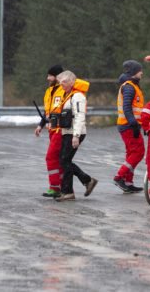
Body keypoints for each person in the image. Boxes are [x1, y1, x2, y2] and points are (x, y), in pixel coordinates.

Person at [54, 70, 98, 202]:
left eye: (65, 82)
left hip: (74, 133)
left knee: (64, 160)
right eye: (60, 82)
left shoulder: (77, 96)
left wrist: (76, 135)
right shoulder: (67, 95)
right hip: (67, 132)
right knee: (64, 160)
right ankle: (85, 182)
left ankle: (69, 191)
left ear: (73, 82)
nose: (62, 84)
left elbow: (79, 116)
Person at [113, 60, 145, 193]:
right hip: (129, 126)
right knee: (138, 152)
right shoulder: (129, 87)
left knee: (132, 153)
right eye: (139, 71)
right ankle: (119, 177)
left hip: (128, 125)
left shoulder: (132, 86)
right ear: (133, 72)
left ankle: (128, 181)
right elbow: (127, 108)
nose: (142, 73)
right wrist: (134, 124)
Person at [35, 64, 65, 198]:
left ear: (57, 77)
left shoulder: (64, 90)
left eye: (50, 76)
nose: (48, 78)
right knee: (59, 159)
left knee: (51, 157)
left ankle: (55, 187)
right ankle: (64, 186)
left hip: (61, 129)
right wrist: (40, 125)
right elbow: (48, 112)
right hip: (52, 130)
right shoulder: (49, 91)